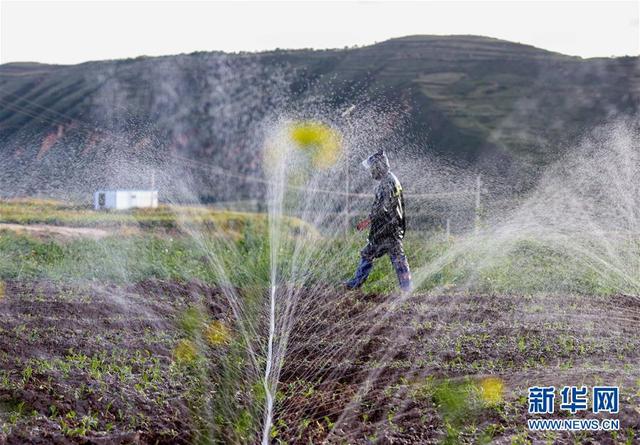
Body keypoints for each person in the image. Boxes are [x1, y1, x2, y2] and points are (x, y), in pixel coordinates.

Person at [345, 149, 413, 292]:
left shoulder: (387, 183)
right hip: (391, 227)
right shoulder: (391, 179)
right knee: (397, 257)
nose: (371, 172)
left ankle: (355, 284)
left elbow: (383, 208)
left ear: (378, 167)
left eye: (372, 169)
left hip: (386, 229)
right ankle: (407, 289)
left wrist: (368, 220)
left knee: (371, 254)